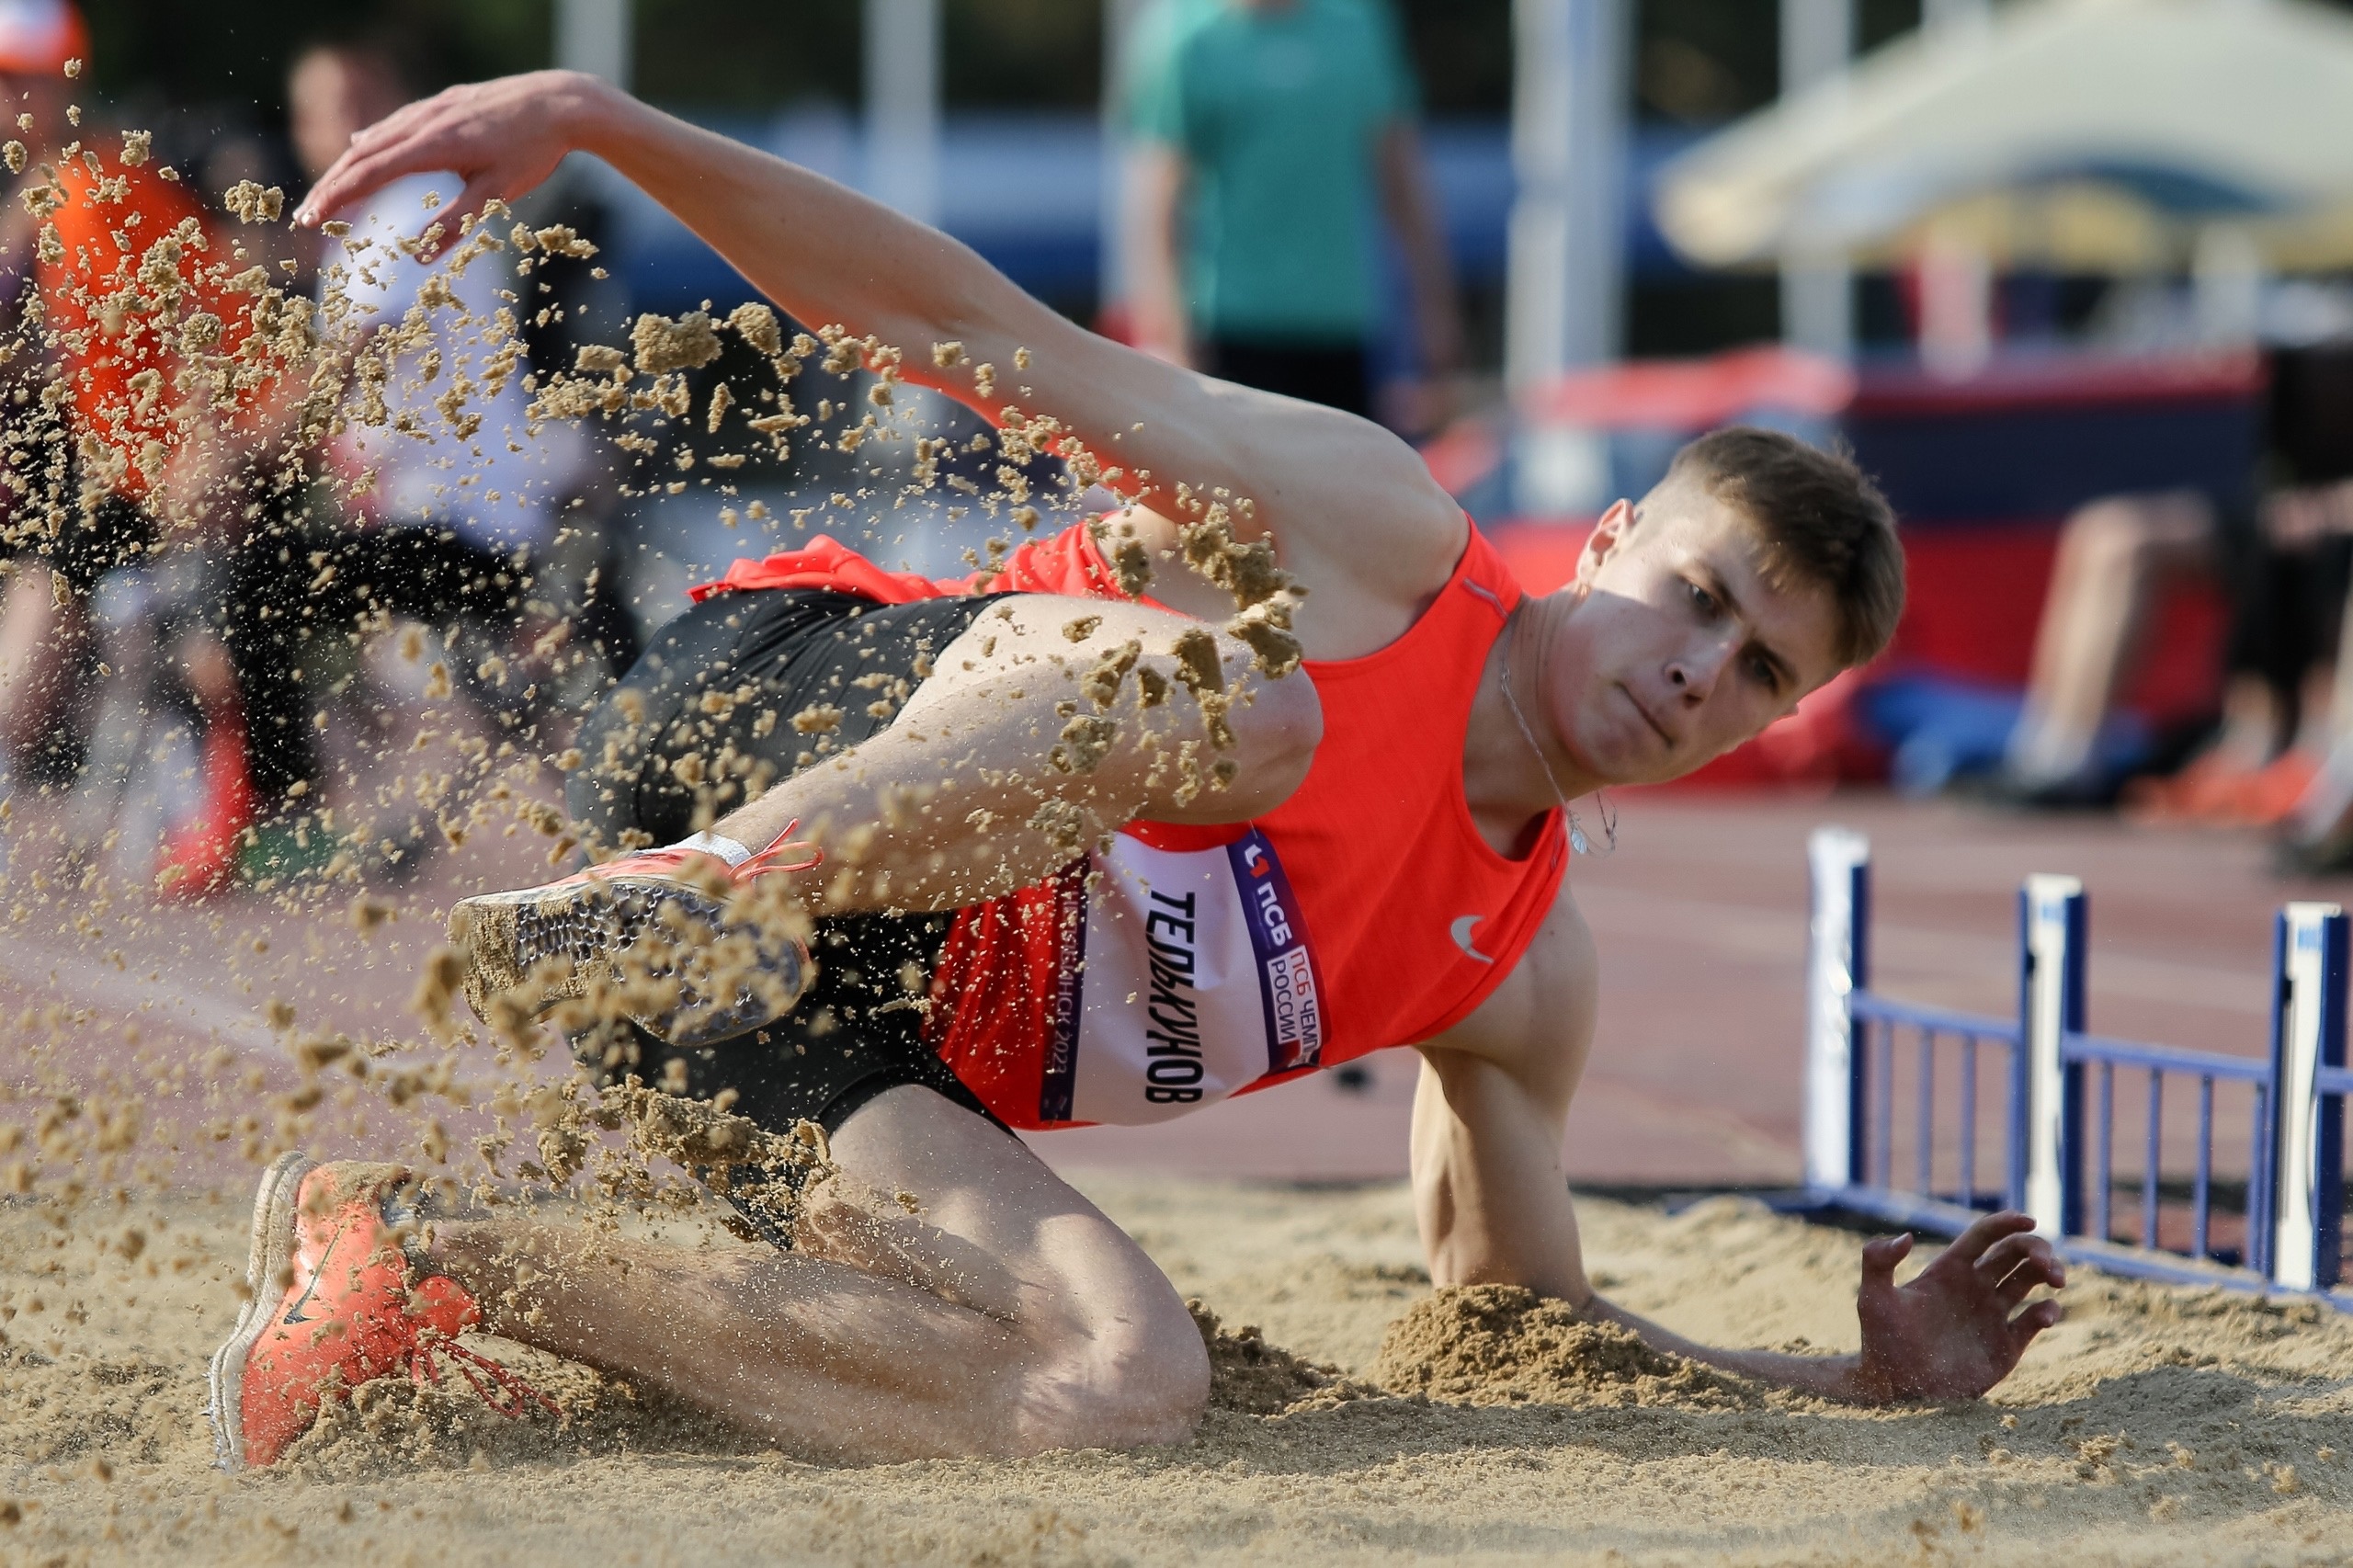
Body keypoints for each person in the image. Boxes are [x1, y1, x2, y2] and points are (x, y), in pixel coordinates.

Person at [205, 69, 2066, 1471]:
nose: (1695, 672)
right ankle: (689, 893)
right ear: (1605, 542)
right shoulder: (1375, 528)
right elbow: (974, 336)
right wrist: (608, 123)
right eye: (1697, 599)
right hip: (766, 723)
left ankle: (410, 1255)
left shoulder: (1519, 967)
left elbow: (1515, 1327)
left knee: (1122, 1379)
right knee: (1263, 711)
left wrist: (1845, 1383)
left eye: (1757, 674)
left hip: (808, 1028)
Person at [1124, 0, 1461, 430]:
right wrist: (1168, 336)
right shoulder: (1187, 36)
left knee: (1343, 492)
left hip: (1343, 326)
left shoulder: (1358, 27)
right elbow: (1160, 202)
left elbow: (1400, 177)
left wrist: (1435, 308)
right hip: (1231, 329)